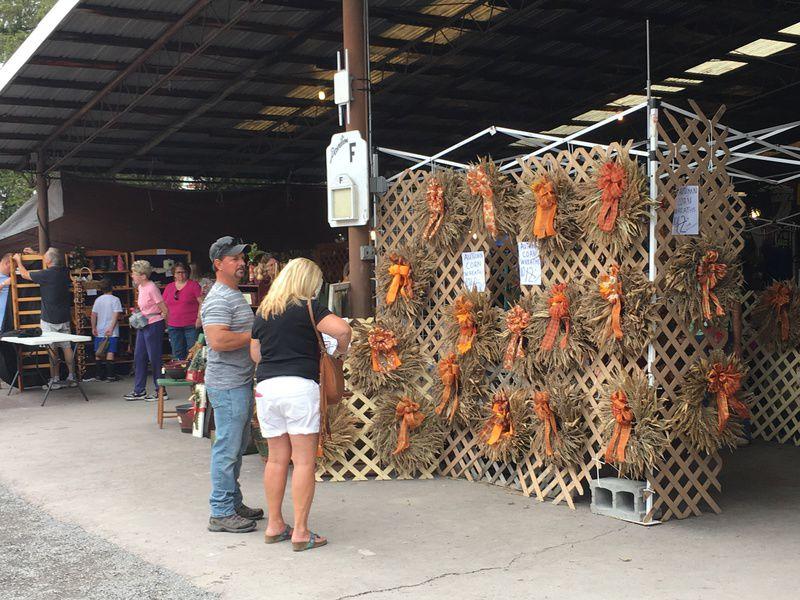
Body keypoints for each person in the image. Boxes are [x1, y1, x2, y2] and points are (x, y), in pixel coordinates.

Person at [250, 258, 351, 551]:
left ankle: (274, 525)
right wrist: (338, 353)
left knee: (276, 459)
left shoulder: (264, 311)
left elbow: (256, 355)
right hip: (299, 388)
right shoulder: (309, 307)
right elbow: (343, 330)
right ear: (308, 282)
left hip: (267, 389)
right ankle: (301, 532)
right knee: (304, 461)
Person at [202, 236, 262, 534]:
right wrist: (254, 336)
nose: (242, 263)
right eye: (235, 259)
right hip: (227, 384)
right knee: (227, 448)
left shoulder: (233, 294)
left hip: (238, 382)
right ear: (218, 264)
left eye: (242, 258)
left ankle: (233, 502)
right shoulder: (218, 298)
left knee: (236, 447)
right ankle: (221, 510)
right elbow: (218, 340)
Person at [14, 247, 76, 389]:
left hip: (49, 318)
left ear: (47, 261)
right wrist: (36, 254)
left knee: (52, 348)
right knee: (67, 347)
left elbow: (24, 274)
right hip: (64, 316)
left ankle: (55, 380)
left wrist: (18, 260)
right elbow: (53, 258)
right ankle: (72, 377)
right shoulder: (65, 272)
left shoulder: (46, 274)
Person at [125, 260, 168, 401]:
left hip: (154, 324)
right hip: (143, 324)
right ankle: (139, 390)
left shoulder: (151, 287)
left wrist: (164, 323)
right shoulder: (141, 287)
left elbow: (164, 309)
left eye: (134, 273)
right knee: (139, 356)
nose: (132, 276)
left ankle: (160, 390)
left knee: (154, 358)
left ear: (143, 276)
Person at [163, 262, 202, 360]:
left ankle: (192, 374)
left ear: (188, 273)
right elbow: (163, 304)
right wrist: (164, 317)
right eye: (178, 272)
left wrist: (199, 318)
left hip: (191, 324)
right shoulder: (169, 287)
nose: (181, 275)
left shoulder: (194, 285)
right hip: (173, 325)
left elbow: (202, 302)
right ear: (174, 274)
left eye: (183, 272)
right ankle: (179, 374)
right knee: (177, 351)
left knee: (193, 351)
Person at [90, 279, 122, 382]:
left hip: (100, 329)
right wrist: (111, 328)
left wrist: (93, 327)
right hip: (111, 330)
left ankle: (99, 375)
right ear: (111, 287)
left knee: (99, 352)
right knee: (110, 351)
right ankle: (110, 376)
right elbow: (116, 314)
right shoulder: (115, 299)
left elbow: (93, 314)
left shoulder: (98, 300)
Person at [0, 253, 13, 333]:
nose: (14, 269)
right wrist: (3, 284)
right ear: (7, 264)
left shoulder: (10, 276)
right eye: (13, 266)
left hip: (7, 324)